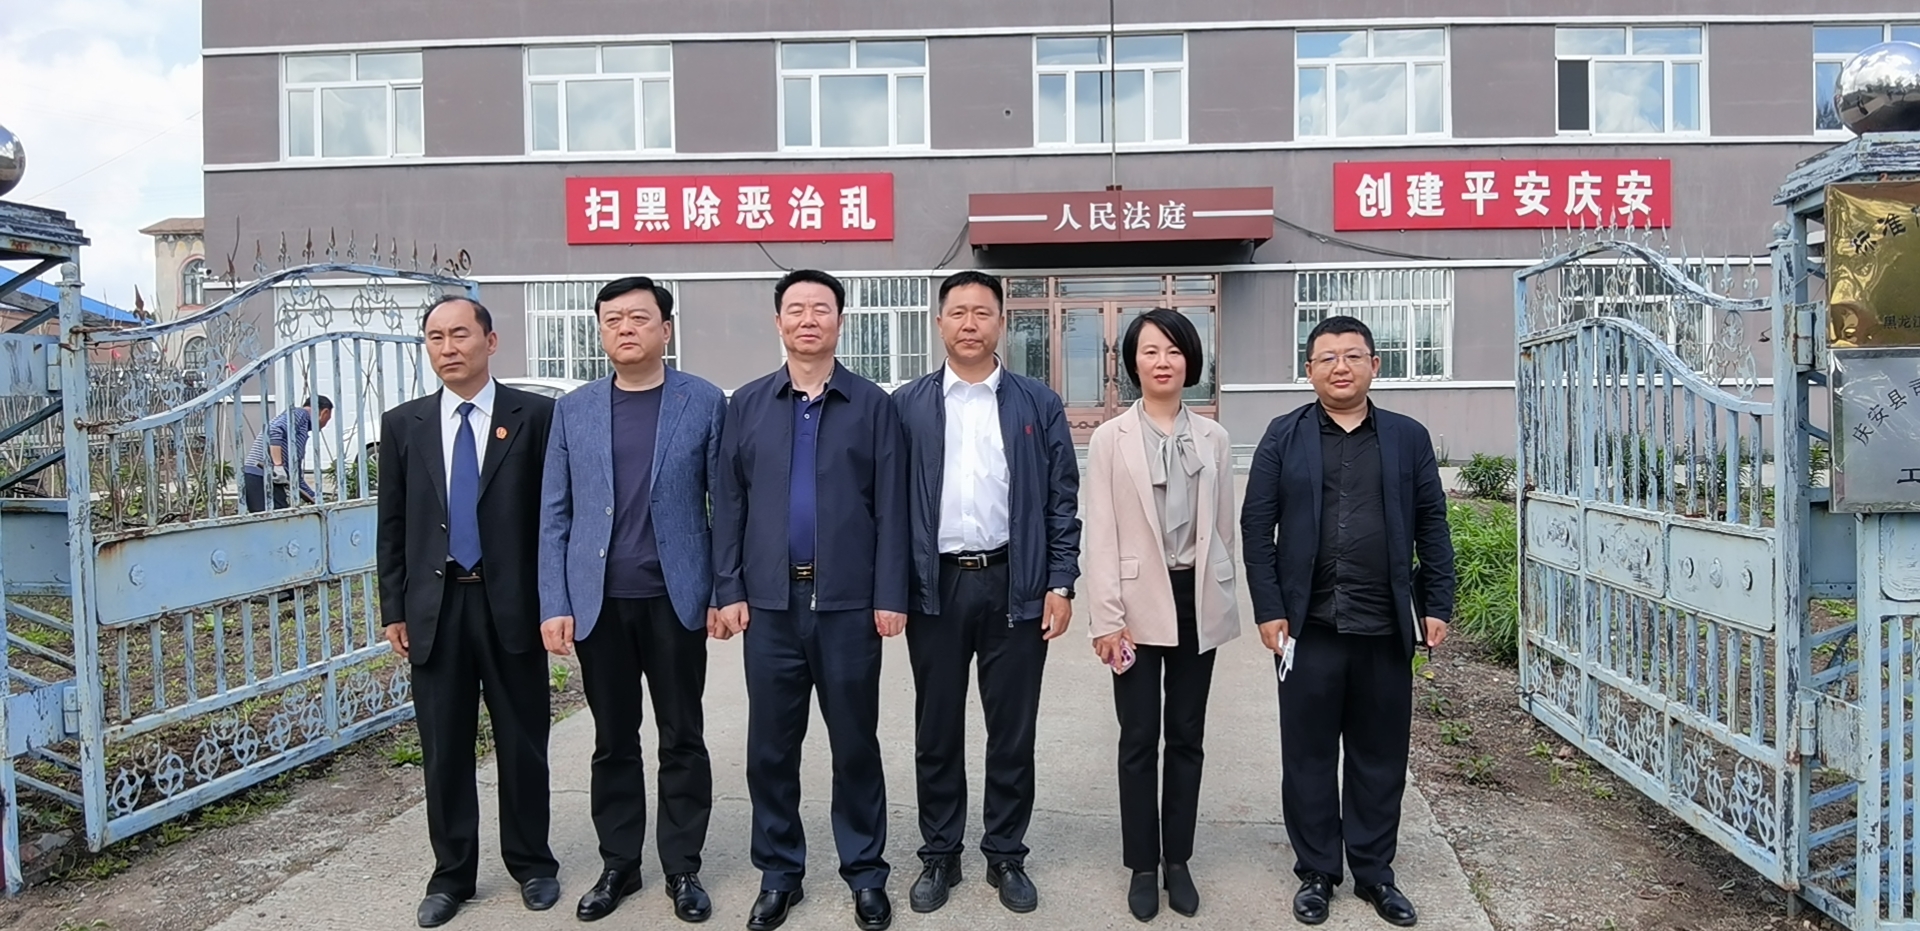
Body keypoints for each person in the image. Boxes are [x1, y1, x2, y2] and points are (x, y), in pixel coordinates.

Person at [1240, 315, 1456, 928]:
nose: (1341, 367)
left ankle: (1374, 871)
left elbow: (1432, 523)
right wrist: (1269, 609)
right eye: (1328, 357)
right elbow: (1256, 527)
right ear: (1309, 370)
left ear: (1374, 365)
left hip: (1384, 628)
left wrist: (1436, 603)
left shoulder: (1407, 438)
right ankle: (1316, 871)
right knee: (1307, 755)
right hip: (1307, 629)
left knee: (1379, 755)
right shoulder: (1284, 436)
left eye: (1353, 355)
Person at [713, 268, 909, 931]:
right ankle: (779, 873)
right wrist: (730, 587)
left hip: (849, 606)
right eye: (795, 309)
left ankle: (865, 872)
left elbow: (892, 506)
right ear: (778, 322)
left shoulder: (873, 405)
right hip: (771, 604)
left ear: (839, 322)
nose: (807, 319)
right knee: (771, 748)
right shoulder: (747, 404)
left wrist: (889, 593)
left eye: (820, 308)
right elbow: (729, 504)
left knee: (855, 743)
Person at [537, 277, 726, 924]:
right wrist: (554, 601)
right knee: (613, 739)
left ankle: (682, 866)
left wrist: (722, 589)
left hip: (676, 598)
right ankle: (619, 861)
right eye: (612, 319)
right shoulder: (575, 410)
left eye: (639, 317)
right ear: (601, 331)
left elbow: (724, 504)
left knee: (682, 736)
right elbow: (555, 513)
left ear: (665, 329)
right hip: (600, 603)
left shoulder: (702, 401)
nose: (625, 328)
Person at [891, 270, 1080, 915]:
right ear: (939, 323)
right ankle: (940, 852)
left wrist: (1060, 581)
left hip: (1014, 582)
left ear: (1002, 322)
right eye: (958, 312)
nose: (969, 323)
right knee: (936, 727)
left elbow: (1061, 500)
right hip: (935, 586)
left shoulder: (1037, 403)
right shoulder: (907, 405)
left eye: (982, 312)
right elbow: (885, 504)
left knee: (1013, 729)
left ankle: (1005, 853)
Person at [376, 295, 561, 928]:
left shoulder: (535, 417)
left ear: (491, 340)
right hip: (436, 606)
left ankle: (532, 864)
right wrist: (394, 606)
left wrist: (554, 600)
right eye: (436, 337)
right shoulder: (404, 424)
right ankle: (451, 875)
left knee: (523, 742)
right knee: (444, 748)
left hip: (512, 605)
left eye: (460, 334)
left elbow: (552, 517)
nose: (448, 347)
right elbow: (393, 523)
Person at [1082, 309, 1241, 922]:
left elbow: (1222, 527)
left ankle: (1179, 860)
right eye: (1150, 351)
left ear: (1191, 360)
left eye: (1174, 350)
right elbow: (1100, 532)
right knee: (1138, 737)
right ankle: (1143, 865)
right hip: (1134, 603)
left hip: (1196, 598)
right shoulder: (1110, 438)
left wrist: (1221, 589)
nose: (1163, 361)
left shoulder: (1214, 438)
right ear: (1133, 362)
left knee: (1187, 736)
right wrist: (1106, 618)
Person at [242, 395, 332, 511]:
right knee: (273, 517)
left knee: (279, 514)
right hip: (260, 474)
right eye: (327, 420)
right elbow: (274, 430)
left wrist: (314, 497)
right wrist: (278, 465)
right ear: (324, 413)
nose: (324, 425)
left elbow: (295, 477)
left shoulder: (300, 430)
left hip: (271, 477)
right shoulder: (300, 414)